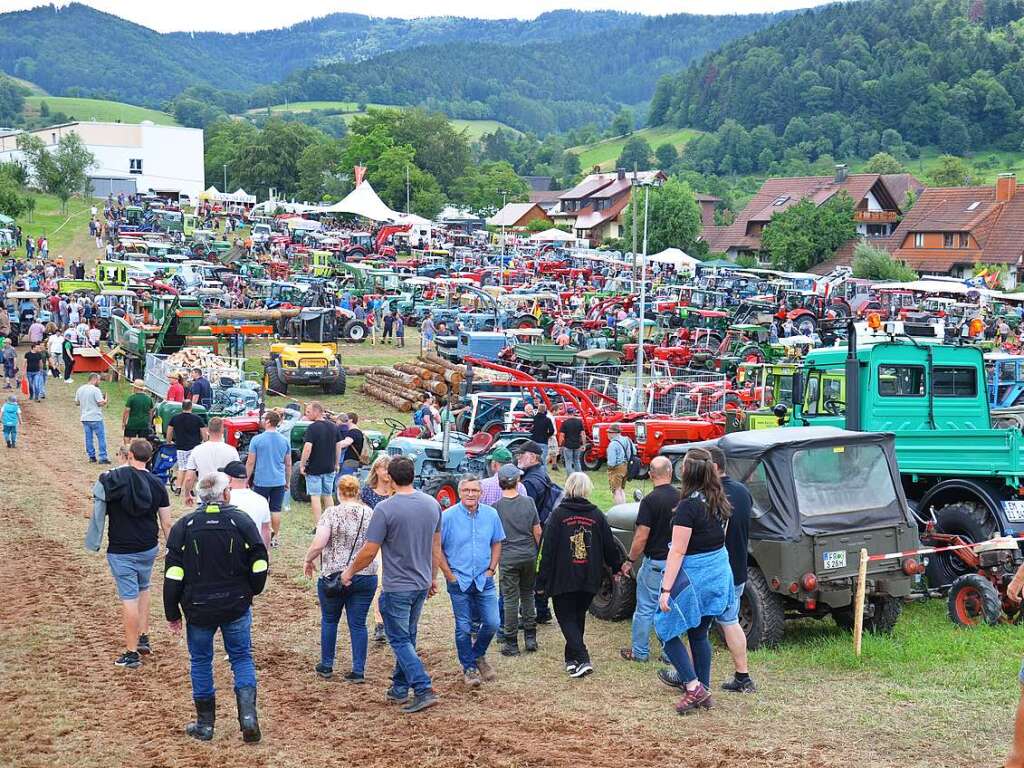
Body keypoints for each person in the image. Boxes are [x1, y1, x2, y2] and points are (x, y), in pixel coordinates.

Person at [164, 471, 268, 743]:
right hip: (236, 605)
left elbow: (173, 572)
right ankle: (248, 719)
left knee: (200, 661)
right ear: (226, 494)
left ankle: (205, 725)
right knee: (242, 658)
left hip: (198, 609)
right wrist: (252, 590)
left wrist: (172, 612)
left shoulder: (184, 525)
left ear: (200, 496)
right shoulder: (241, 521)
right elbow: (260, 559)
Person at [341, 457, 441, 714]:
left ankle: (423, 687)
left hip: (397, 585)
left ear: (391, 479)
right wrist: (433, 577)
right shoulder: (432, 504)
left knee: (398, 638)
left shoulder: (385, 509)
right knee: (408, 635)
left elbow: (369, 550)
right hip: (420, 582)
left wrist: (350, 570)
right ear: (413, 475)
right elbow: (436, 545)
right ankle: (399, 686)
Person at [655, 447, 736, 714]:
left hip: (695, 578)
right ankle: (703, 688)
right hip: (717, 575)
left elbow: (677, 551)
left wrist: (666, 589)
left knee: (665, 630)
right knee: (699, 632)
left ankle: (693, 687)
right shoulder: (719, 500)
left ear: (686, 472)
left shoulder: (688, 507)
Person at [536, 472, 623, 678]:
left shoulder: (558, 515)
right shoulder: (597, 515)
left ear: (567, 487)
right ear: (587, 489)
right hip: (589, 576)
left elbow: (545, 551)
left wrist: (540, 580)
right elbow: (610, 547)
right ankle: (571, 659)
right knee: (576, 617)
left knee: (566, 617)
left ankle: (583, 658)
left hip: (563, 578)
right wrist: (617, 567)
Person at [98, 439, 172, 669]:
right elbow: (167, 523)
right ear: (150, 458)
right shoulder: (157, 484)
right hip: (148, 547)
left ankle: (131, 653)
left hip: (122, 549)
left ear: (129, 455)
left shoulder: (113, 480)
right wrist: (172, 549)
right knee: (144, 588)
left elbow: (99, 503)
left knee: (129, 598)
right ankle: (143, 637)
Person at [303, 474, 377, 682]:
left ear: (338, 492)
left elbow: (319, 543)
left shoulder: (331, 513)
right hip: (364, 573)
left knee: (329, 620)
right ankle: (358, 669)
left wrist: (308, 559)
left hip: (333, 574)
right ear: (358, 492)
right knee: (358, 623)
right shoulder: (369, 513)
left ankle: (326, 665)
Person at [436, 475, 504, 687]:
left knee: (493, 622)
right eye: (467, 490)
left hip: (484, 579)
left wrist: (492, 569)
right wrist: (449, 574)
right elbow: (436, 548)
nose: (471, 494)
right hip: (459, 580)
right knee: (463, 627)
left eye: (475, 490)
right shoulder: (447, 517)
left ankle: (477, 654)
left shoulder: (492, 515)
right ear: (460, 492)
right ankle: (470, 668)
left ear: (481, 493)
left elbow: (497, 542)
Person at [619, 456, 678, 662]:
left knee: (645, 608)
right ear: (670, 472)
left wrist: (629, 560)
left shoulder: (650, 501)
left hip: (654, 564)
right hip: (676, 564)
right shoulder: (681, 497)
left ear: (651, 474)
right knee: (670, 609)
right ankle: (670, 654)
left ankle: (640, 652)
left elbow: (641, 535)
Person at [709, 445, 756, 693]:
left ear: (715, 468)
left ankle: (687, 674)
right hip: (738, 567)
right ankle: (743, 676)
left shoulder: (712, 495)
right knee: (729, 621)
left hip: (715, 569)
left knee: (697, 625)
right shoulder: (742, 491)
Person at [494, 465, 541, 656]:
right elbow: (537, 531)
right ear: (518, 481)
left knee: (510, 600)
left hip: (507, 557)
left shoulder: (495, 508)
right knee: (528, 595)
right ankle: (531, 638)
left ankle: (511, 643)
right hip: (528, 554)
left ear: (500, 483)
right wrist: (535, 552)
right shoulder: (529, 502)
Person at [246, 410, 292, 548]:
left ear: (267, 421)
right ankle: (275, 538)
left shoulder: (257, 440)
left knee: (260, 508)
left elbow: (250, 462)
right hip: (278, 480)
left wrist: (246, 479)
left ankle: (259, 535)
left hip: (261, 480)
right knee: (276, 509)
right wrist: (287, 480)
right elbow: (288, 463)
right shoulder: (284, 440)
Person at [300, 401, 341, 529]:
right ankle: (331, 523)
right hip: (329, 466)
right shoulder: (333, 426)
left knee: (315, 496)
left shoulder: (312, 428)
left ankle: (319, 525)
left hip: (314, 467)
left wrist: (302, 464)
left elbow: (307, 447)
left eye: (308, 411)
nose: (306, 414)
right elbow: (338, 446)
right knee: (328, 494)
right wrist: (336, 462)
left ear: (317, 412)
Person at [182, 418, 239, 507]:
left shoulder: (197, 450)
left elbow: (189, 477)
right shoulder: (231, 450)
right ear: (222, 430)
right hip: (224, 495)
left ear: (208, 430)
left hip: (204, 495)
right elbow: (236, 475)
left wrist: (187, 494)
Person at [222, 460, 272, 547]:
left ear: (229, 479)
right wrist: (264, 552)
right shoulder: (261, 500)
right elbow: (266, 530)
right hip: (254, 549)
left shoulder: (224, 500)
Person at [167, 399, 206, 495]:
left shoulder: (175, 418)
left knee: (182, 467)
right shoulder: (197, 419)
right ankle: (191, 489)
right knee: (192, 469)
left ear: (182, 407)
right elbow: (204, 433)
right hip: (194, 447)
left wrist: (169, 441)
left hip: (181, 446)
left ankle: (178, 488)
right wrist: (205, 441)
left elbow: (169, 431)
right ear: (191, 407)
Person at [75, 372, 110, 464]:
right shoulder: (95, 390)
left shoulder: (80, 389)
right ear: (94, 379)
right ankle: (103, 457)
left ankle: (91, 456)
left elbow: (77, 403)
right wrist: (105, 400)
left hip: (85, 417)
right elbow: (100, 403)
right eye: (99, 380)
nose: (99, 382)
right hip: (95, 417)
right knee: (101, 437)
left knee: (88, 438)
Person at [605, 423, 634, 506]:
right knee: (621, 489)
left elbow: (612, 462)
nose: (608, 434)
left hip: (617, 468)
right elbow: (634, 451)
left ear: (613, 433)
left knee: (616, 490)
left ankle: (619, 510)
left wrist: (610, 468)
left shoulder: (613, 444)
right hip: (626, 466)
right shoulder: (627, 440)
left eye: (609, 432)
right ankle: (624, 508)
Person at [122, 380, 154, 445]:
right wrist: (149, 422)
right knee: (143, 440)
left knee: (127, 437)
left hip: (132, 423)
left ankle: (127, 450)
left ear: (135, 388)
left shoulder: (132, 398)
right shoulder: (149, 398)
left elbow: (127, 411)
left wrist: (124, 422)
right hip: (144, 423)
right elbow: (151, 412)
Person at [336, 411, 364, 477]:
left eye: (346, 419)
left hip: (349, 462)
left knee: (344, 481)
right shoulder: (357, 431)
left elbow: (346, 443)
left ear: (351, 420)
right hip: (353, 461)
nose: (344, 421)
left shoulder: (354, 432)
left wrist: (332, 444)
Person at [558, 411, 585, 476]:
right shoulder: (579, 422)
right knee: (577, 461)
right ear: (574, 413)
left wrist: (560, 445)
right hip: (577, 445)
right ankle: (579, 476)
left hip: (568, 445)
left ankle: (570, 477)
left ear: (567, 414)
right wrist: (583, 444)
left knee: (568, 462)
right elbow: (583, 434)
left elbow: (561, 435)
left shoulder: (565, 423)